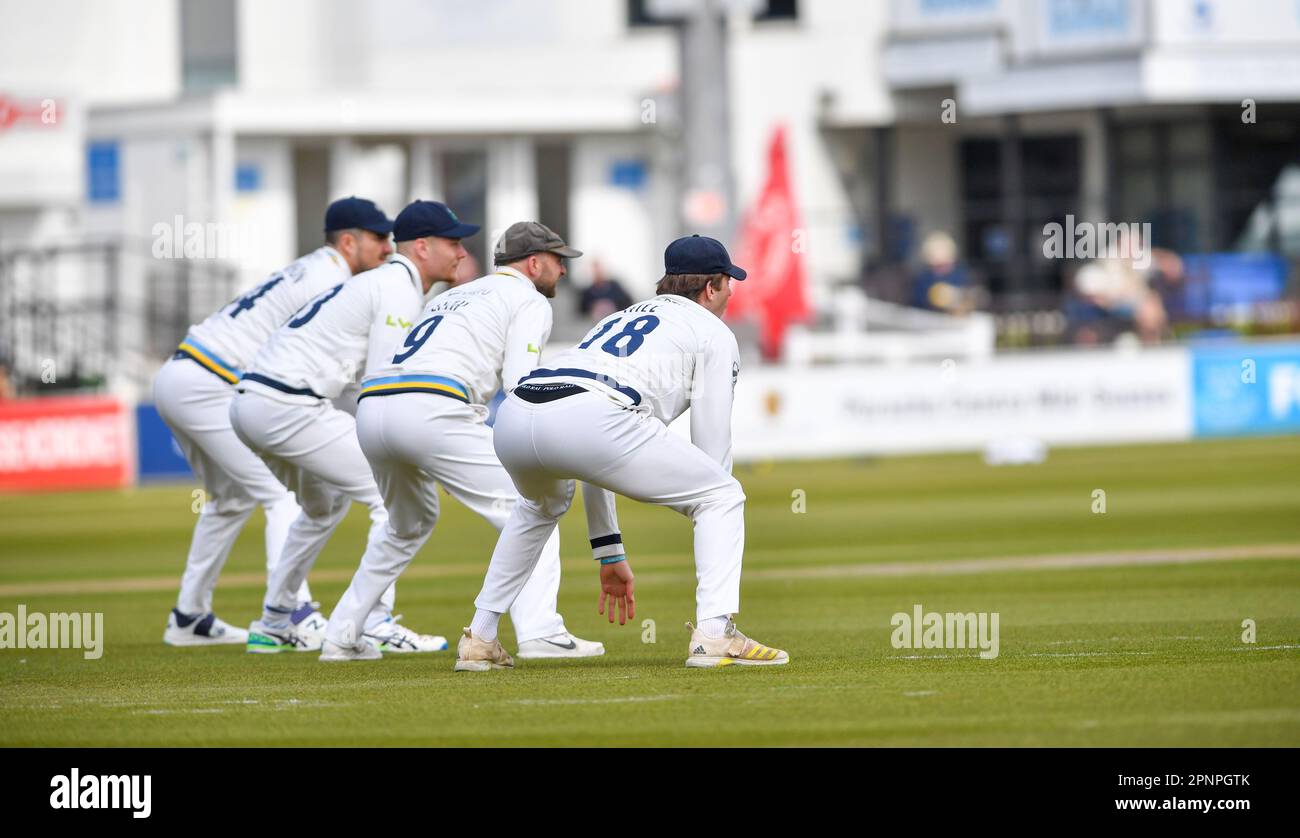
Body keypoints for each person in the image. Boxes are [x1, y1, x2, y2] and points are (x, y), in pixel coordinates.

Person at [455, 234, 789, 671]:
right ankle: (714, 632)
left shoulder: (619, 316)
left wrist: (609, 552)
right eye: (729, 284)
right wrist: (709, 495)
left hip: (519, 413)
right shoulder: (713, 331)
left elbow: (594, 459)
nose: (730, 294)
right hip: (590, 414)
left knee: (538, 508)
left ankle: (479, 637)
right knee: (722, 495)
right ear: (711, 287)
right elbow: (710, 451)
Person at [320, 221, 602, 661]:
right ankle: (541, 631)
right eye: (557, 260)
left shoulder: (449, 295)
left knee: (406, 524)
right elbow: (520, 384)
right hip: (431, 409)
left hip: (372, 410)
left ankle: (340, 635)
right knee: (535, 507)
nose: (563, 271)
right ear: (532, 263)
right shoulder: (526, 298)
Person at [153, 197, 393, 647]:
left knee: (232, 498)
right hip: (211, 381)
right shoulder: (330, 279)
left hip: (180, 376)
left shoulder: (313, 269)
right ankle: (293, 616)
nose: (388, 246)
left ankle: (189, 616)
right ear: (348, 241)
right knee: (281, 495)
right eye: (379, 237)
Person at [229, 200, 464, 654]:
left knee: (323, 506)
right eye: (452, 242)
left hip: (250, 403)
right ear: (421, 248)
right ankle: (373, 620)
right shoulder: (397, 288)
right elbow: (383, 386)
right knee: (395, 499)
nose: (461, 252)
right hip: (286, 402)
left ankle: (275, 619)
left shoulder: (382, 283)